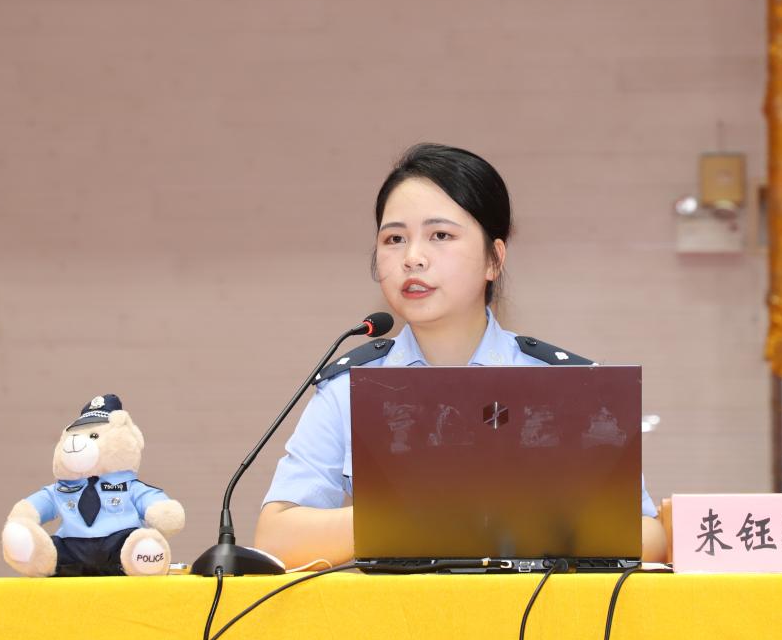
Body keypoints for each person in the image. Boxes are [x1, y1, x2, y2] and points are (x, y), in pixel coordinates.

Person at [255, 143, 667, 568]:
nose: (412, 258)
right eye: (394, 239)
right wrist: (420, 514)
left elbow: (648, 537)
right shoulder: (351, 388)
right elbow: (276, 538)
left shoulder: (568, 387)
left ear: (494, 259)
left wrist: (519, 516)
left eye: (440, 236)